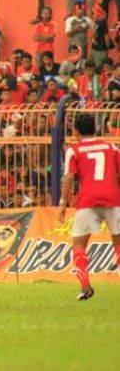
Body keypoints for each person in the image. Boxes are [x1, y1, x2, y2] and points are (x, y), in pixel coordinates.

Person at [59, 114, 120, 300]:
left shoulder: (74, 150)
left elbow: (69, 176)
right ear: (95, 128)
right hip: (112, 198)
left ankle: (85, 287)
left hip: (87, 200)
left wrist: (63, 202)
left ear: (76, 130)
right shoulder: (111, 147)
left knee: (79, 244)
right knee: (118, 244)